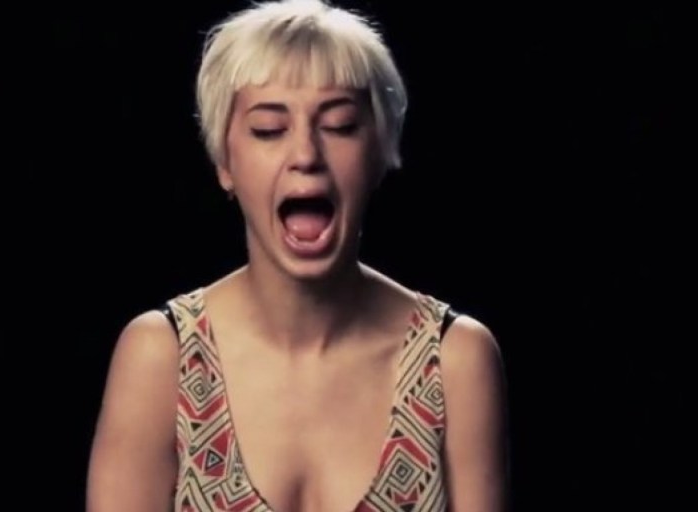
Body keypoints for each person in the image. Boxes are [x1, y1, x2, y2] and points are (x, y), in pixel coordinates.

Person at [86, 0, 508, 510]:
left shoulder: (456, 360)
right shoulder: (162, 358)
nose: (306, 155)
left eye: (340, 125)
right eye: (269, 129)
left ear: (380, 152)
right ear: (224, 161)